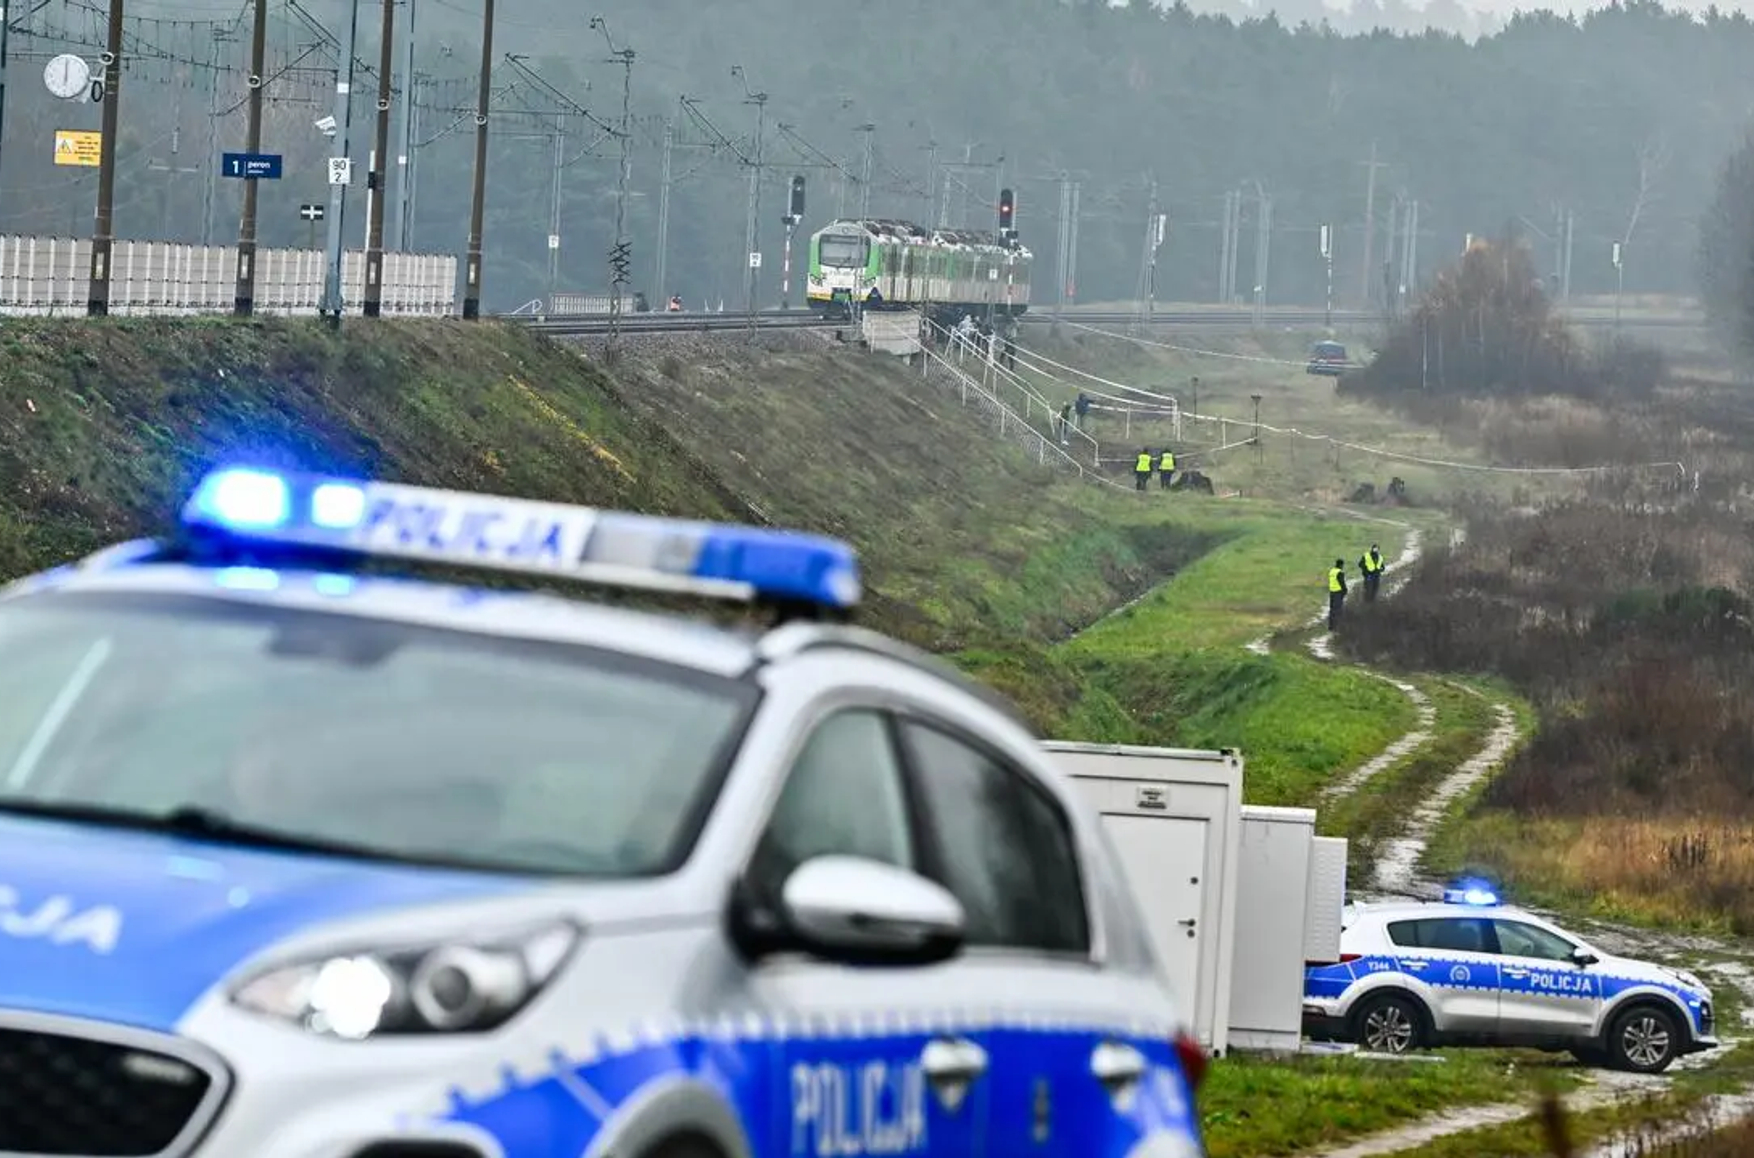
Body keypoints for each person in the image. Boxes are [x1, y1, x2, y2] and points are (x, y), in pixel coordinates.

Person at [1327, 558, 1348, 631]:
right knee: (1338, 610)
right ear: (1341, 565)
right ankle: (1338, 626)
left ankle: (1331, 626)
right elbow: (1341, 582)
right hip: (1338, 592)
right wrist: (1345, 590)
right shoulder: (1340, 572)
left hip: (1332, 592)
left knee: (1332, 609)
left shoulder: (1332, 571)